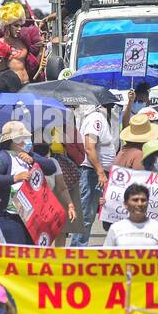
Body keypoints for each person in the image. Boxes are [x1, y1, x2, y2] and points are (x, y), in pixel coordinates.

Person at [0, 120, 58, 245]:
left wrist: (33, 160)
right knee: (16, 253)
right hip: (8, 216)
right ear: (14, 141)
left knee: (32, 253)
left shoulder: (29, 155)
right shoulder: (2, 157)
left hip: (31, 217)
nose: (28, 141)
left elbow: (51, 168)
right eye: (23, 138)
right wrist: (14, 178)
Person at [71, 102, 116, 245]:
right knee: (86, 214)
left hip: (94, 172)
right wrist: (100, 172)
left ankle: (79, 247)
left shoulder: (97, 118)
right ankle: (77, 250)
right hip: (92, 173)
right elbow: (90, 148)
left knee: (88, 214)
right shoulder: (96, 117)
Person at [103, 182, 158, 247]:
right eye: (135, 200)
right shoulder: (115, 228)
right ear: (125, 204)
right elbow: (105, 255)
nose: (140, 204)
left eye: (143, 200)